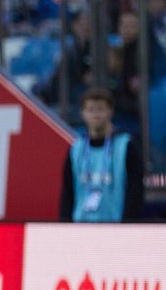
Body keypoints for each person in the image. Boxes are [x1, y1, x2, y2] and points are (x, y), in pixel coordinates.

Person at [58, 88, 139, 221]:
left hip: (115, 227)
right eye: (91, 109)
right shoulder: (76, 148)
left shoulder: (126, 146)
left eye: (100, 109)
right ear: (83, 113)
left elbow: (135, 191)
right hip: (81, 227)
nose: (96, 114)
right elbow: (67, 192)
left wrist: (128, 226)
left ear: (110, 111)